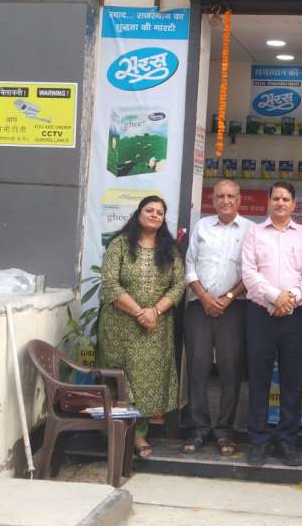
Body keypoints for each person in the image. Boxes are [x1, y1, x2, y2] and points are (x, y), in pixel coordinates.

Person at [97, 195, 185, 459]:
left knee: (148, 382)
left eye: (160, 212)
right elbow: (110, 283)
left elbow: (178, 285)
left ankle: (139, 434)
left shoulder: (169, 250)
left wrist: (154, 311)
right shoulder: (120, 244)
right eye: (150, 210)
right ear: (138, 214)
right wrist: (139, 312)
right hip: (120, 327)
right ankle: (117, 433)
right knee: (122, 380)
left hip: (155, 328)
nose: (155, 215)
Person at [241, 182, 302, 467]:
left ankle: (287, 441)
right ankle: (258, 441)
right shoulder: (254, 233)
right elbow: (248, 273)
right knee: (259, 379)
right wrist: (275, 297)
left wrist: (291, 297)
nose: (281, 203)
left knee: (292, 381)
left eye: (286, 199)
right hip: (261, 314)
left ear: (294, 204)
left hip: (296, 316)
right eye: (276, 198)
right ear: (269, 202)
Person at [182, 179, 253, 457]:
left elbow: (252, 271)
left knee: (230, 369)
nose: (225, 200)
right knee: (197, 366)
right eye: (220, 196)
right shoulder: (202, 227)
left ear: (239, 199)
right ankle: (198, 429)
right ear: (212, 200)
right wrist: (203, 296)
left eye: (231, 196)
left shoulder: (251, 230)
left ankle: (225, 431)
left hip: (233, 307)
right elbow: (189, 265)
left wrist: (228, 297)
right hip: (199, 306)